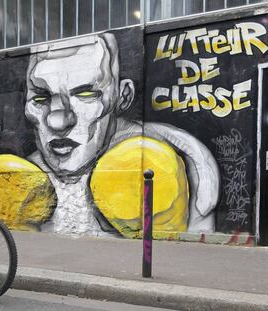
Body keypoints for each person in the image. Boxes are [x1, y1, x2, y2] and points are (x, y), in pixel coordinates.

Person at [24, 32, 220, 235]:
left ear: (122, 97)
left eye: (86, 94)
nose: (57, 121)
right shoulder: (28, 177)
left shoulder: (176, 160)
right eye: (40, 99)